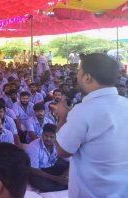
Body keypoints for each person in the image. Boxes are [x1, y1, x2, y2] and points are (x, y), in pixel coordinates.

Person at [54, 53, 128, 197]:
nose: (77, 76)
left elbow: (62, 151)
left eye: (78, 71)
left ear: (87, 77)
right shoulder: (126, 105)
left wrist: (63, 117)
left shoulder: (82, 111)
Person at [27, 123, 69, 192]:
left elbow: (71, 162)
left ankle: (62, 184)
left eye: (52, 137)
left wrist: (65, 176)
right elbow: (34, 170)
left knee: (74, 168)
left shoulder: (60, 143)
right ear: (42, 134)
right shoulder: (33, 146)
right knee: (37, 181)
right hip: (40, 171)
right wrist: (57, 179)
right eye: (46, 136)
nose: (48, 139)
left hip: (54, 166)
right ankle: (63, 185)